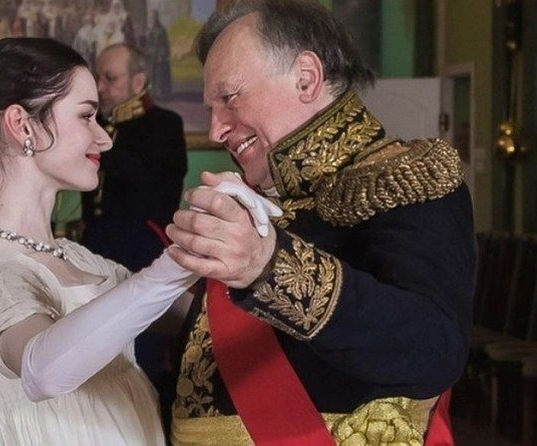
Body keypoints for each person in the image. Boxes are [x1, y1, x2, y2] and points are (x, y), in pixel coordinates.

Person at [165, 0, 476, 444]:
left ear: (306, 78)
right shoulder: (262, 193)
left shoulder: (404, 178)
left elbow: (433, 351)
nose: (216, 131)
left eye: (229, 98)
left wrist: (269, 267)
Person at [0, 37, 276, 445]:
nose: (105, 139)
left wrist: (234, 223)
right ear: (22, 125)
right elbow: (43, 370)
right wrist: (173, 263)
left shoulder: (84, 261)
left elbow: (204, 318)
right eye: (86, 116)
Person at [80, 42, 187, 431]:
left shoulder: (164, 124)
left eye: (110, 78)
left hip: (142, 250)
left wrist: (98, 138)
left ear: (138, 82)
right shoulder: (101, 124)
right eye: (98, 77)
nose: (100, 86)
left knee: (141, 357)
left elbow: (144, 181)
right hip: (94, 247)